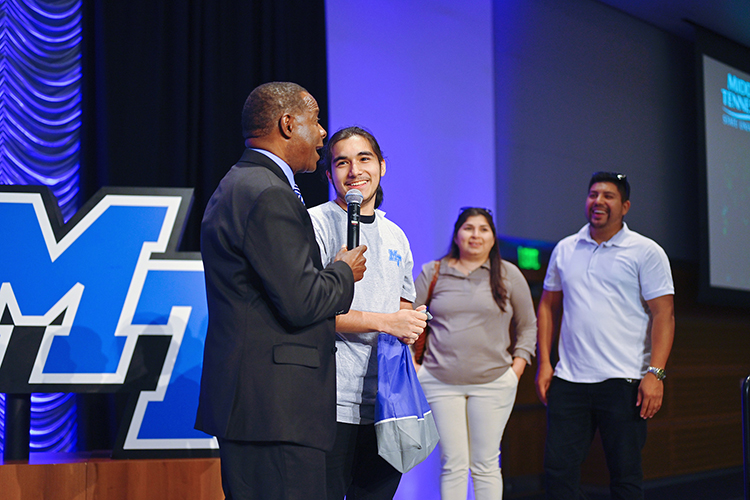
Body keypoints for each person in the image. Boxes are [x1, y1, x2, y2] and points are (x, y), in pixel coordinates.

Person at [196, 82, 368, 500]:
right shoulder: (268, 192)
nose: (324, 134)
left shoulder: (243, 182)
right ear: (288, 124)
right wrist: (344, 272)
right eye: (316, 121)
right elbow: (301, 301)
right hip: (275, 410)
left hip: (259, 408)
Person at [535, 172, 675, 500]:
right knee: (558, 473)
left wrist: (655, 373)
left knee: (625, 475)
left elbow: (664, 315)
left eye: (608, 196)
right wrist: (545, 363)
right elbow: (547, 307)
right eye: (593, 194)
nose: (598, 201)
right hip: (570, 381)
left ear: (624, 206)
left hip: (624, 382)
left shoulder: (646, 251)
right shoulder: (566, 248)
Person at [308, 126, 428, 500]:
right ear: (329, 175)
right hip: (331, 400)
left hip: (386, 403)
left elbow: (402, 305)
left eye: (364, 159)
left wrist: (409, 323)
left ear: (382, 167)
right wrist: (386, 321)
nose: (354, 170)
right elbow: (310, 309)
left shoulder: (396, 235)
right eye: (342, 162)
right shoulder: (315, 222)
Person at [413, 207, 537, 500]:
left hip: (494, 382)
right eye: (469, 228)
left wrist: (516, 370)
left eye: (484, 229)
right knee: (453, 464)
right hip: (439, 381)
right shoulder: (433, 271)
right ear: (457, 234)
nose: (476, 235)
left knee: (485, 465)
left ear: (493, 238)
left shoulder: (509, 274)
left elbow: (528, 326)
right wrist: (416, 367)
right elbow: (408, 319)